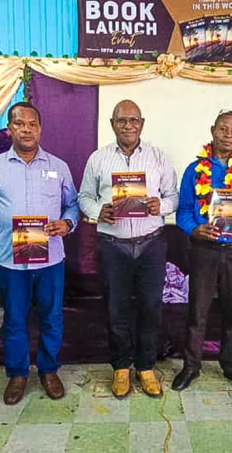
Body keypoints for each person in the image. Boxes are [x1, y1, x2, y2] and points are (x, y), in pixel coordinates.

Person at [0, 102, 78, 405]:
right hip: (11, 260)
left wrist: (67, 223)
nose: (26, 129)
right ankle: (17, 374)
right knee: (14, 319)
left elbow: (72, 205)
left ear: (40, 129)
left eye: (32, 124)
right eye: (19, 124)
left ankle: (48, 370)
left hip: (51, 260)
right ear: (10, 129)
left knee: (51, 318)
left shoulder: (58, 166)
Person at [78, 100, 179, 399]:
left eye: (133, 120)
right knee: (116, 308)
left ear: (142, 124)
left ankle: (145, 367)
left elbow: (174, 196)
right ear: (112, 124)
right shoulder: (98, 159)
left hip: (151, 244)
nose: (128, 125)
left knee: (151, 308)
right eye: (121, 120)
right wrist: (98, 211)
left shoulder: (158, 157)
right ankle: (121, 367)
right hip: (113, 246)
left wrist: (162, 206)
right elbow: (84, 197)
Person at [172, 110, 232, 395]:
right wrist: (195, 229)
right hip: (204, 251)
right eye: (223, 129)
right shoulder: (194, 170)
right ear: (213, 130)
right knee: (197, 312)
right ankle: (191, 366)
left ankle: (231, 366)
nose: (227, 135)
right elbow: (184, 211)